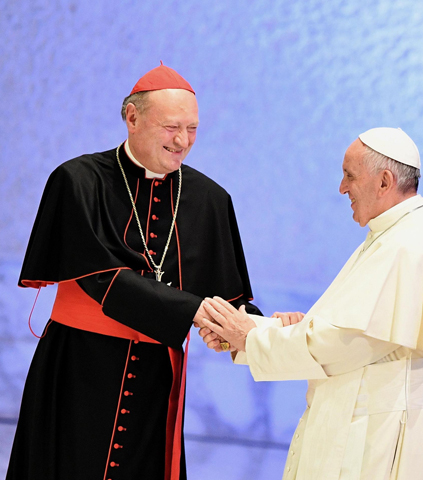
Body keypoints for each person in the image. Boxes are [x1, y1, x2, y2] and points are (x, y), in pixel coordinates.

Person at [7, 64, 261, 480]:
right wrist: (194, 311)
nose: (183, 142)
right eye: (171, 127)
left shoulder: (210, 199)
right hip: (77, 369)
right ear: (132, 118)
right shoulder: (77, 181)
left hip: (155, 380)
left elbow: (229, 299)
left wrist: (265, 328)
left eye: (192, 129)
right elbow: (100, 277)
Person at [196, 127, 423, 479]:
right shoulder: (394, 235)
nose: (342, 188)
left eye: (349, 176)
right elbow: (349, 330)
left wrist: (249, 336)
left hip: (380, 441)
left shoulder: (407, 244)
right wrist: (261, 332)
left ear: (384, 181)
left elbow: (345, 344)